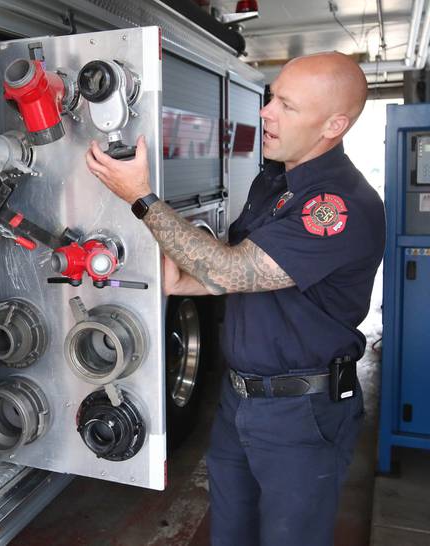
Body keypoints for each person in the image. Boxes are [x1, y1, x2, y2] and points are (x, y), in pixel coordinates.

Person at [85, 51, 385, 546]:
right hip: (240, 400)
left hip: (301, 416)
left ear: (334, 124)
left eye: (286, 105)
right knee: (230, 534)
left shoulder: (339, 206)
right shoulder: (275, 181)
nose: (266, 112)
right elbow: (248, 271)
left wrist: (142, 198)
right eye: (271, 98)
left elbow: (234, 268)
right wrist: (184, 283)